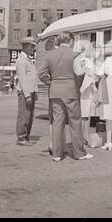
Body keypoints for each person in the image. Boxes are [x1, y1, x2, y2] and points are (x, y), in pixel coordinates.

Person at [38, 31, 93, 162]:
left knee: (57, 122)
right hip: (70, 91)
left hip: (55, 91)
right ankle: (79, 153)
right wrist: (77, 84)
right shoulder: (74, 55)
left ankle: (56, 154)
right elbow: (80, 72)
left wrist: (51, 82)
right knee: (75, 122)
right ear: (70, 41)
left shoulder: (50, 55)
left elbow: (40, 74)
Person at [15, 37, 38, 146]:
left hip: (30, 92)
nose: (33, 49)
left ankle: (26, 136)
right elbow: (23, 79)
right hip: (25, 92)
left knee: (29, 115)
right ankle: (21, 137)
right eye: (31, 46)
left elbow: (32, 77)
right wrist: (27, 95)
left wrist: (35, 92)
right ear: (26, 46)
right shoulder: (21, 60)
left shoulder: (28, 60)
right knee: (24, 115)